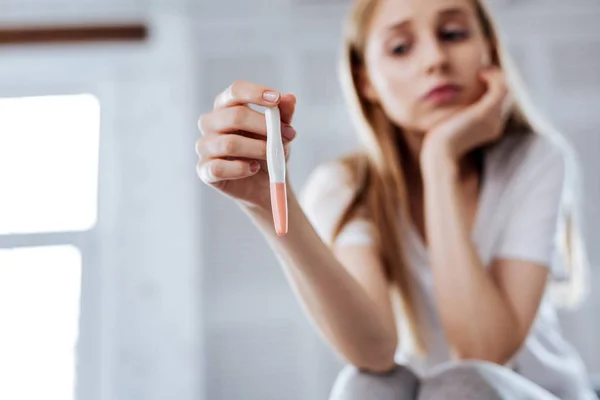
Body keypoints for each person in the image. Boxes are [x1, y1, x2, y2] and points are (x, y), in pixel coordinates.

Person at [195, 0, 596, 398]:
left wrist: (439, 161)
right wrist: (264, 203)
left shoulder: (536, 159)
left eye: (453, 34)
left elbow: (480, 354)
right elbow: (374, 352)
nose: (435, 59)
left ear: (489, 49)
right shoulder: (346, 186)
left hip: (538, 392)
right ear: (365, 79)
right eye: (401, 48)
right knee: (364, 384)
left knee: (462, 385)